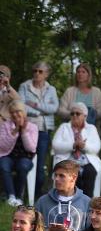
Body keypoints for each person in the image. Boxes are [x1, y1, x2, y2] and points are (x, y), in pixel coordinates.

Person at [36, 160, 92, 231]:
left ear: (73, 177)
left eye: (61, 176)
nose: (56, 179)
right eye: (55, 175)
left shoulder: (87, 203)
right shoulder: (42, 202)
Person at [19, 61, 59, 198]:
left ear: (46, 74)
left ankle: (36, 195)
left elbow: (54, 108)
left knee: (40, 165)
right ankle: (21, 193)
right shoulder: (24, 86)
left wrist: (35, 105)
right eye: (35, 71)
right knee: (24, 161)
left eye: (40, 71)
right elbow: (21, 106)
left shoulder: (51, 89)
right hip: (27, 129)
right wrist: (39, 112)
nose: (37, 73)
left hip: (44, 130)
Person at [51, 102, 101, 195]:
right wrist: (73, 145)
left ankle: (87, 201)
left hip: (87, 160)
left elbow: (97, 147)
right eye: (72, 113)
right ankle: (70, 200)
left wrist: (84, 146)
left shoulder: (91, 128)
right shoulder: (64, 127)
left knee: (90, 172)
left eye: (77, 114)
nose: (74, 116)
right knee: (71, 172)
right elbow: (55, 145)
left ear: (85, 116)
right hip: (68, 160)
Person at [0, 101, 38, 205]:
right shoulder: (5, 126)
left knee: (23, 166)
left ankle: (19, 197)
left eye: (17, 111)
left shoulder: (33, 127)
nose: (15, 114)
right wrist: (15, 131)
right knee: (3, 165)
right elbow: (2, 146)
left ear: (23, 112)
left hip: (25, 157)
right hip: (8, 156)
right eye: (12, 112)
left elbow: (31, 148)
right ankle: (11, 196)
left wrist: (24, 131)